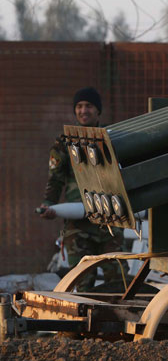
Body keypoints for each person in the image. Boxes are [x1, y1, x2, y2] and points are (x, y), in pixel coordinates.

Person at [39, 87, 127, 291]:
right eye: (79, 106)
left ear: (98, 111)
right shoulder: (64, 143)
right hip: (78, 225)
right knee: (82, 283)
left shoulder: (111, 138)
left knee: (119, 282)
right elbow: (56, 179)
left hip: (110, 221)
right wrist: (48, 204)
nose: (83, 111)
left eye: (88, 106)